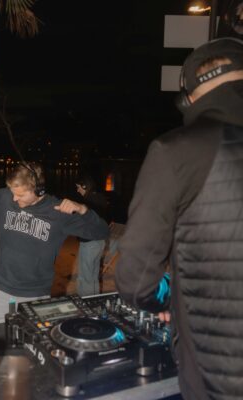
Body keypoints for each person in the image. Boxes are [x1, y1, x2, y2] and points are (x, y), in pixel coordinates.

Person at [115, 37, 243, 400]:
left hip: (218, 375)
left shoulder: (174, 151)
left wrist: (168, 300)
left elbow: (137, 282)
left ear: (187, 98)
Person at [0, 160, 109, 322]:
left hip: (35, 296)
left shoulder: (58, 211)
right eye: (13, 192)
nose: (14, 198)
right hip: (0, 290)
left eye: (21, 195)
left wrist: (83, 210)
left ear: (39, 190)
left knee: (29, 337)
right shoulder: (5, 197)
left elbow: (101, 232)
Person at [75, 175, 108, 296]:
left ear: (85, 186)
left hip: (89, 243)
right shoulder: (100, 198)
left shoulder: (87, 202)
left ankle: (86, 301)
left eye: (78, 187)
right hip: (100, 242)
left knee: (85, 277)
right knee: (93, 276)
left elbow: (85, 222)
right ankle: (94, 300)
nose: (77, 190)